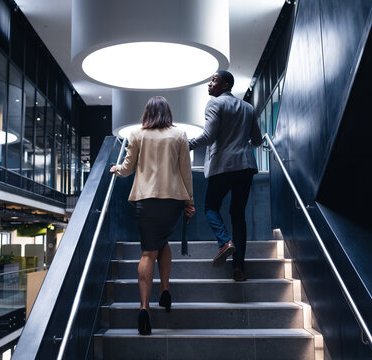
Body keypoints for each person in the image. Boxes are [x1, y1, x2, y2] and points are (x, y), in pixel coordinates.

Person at [110, 96, 195, 335]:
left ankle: (144, 307)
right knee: (163, 241)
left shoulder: (137, 134)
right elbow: (185, 171)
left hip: (145, 200)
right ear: (168, 113)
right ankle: (165, 290)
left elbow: (126, 169)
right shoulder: (179, 135)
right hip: (172, 200)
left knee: (148, 251)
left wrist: (115, 169)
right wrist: (190, 201)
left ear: (147, 112)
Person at [188, 70, 262, 282]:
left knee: (211, 207)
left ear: (225, 85)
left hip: (223, 166)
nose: (209, 84)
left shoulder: (215, 104)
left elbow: (208, 136)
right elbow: (257, 139)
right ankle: (238, 268)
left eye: (214, 80)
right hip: (246, 166)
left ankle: (225, 242)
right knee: (238, 215)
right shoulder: (248, 107)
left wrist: (185, 145)